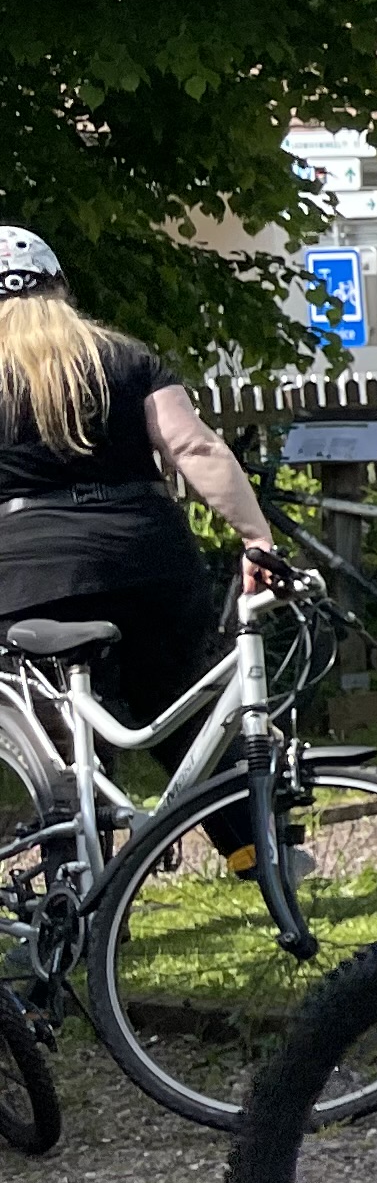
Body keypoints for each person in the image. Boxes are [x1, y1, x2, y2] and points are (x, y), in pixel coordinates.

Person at [0, 230, 286, 839]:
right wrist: (256, 538)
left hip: (29, 575)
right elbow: (192, 446)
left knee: (61, 737)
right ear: (60, 287)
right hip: (147, 557)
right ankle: (252, 848)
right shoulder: (125, 357)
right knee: (180, 702)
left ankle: (80, 869)